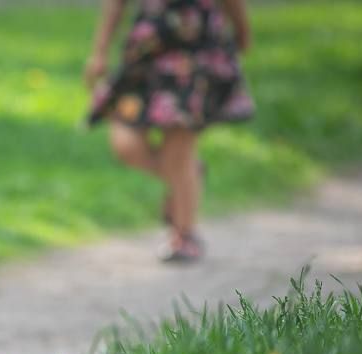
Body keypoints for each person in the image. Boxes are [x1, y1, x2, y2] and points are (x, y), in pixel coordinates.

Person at [84, 0, 254, 261]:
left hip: (195, 55)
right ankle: (187, 177)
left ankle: (184, 236)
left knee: (178, 148)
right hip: (146, 53)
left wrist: (242, 32)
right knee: (126, 145)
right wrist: (100, 52)